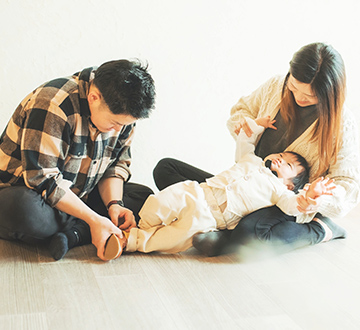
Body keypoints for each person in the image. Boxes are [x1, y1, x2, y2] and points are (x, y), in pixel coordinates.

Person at [153, 42, 360, 257]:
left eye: (310, 96)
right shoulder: (275, 86)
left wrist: (316, 198)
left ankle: (319, 229)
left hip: (284, 202)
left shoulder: (342, 123)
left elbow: (348, 183)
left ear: (329, 95)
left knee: (251, 231)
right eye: (295, 87)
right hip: (246, 187)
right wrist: (246, 126)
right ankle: (221, 231)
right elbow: (241, 111)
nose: (299, 97)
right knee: (165, 168)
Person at [107, 116, 334, 257]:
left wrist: (310, 197)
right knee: (161, 201)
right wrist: (256, 125)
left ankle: (133, 242)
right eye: (282, 155)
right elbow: (244, 142)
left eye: (288, 165)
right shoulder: (252, 160)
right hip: (198, 191)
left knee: (175, 238)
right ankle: (138, 224)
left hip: (211, 219)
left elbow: (293, 205)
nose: (281, 159)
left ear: (289, 183)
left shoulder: (279, 191)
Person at [0, 59, 156, 261]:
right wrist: (93, 217)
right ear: (94, 97)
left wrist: (114, 204)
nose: (119, 130)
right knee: (22, 209)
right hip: (26, 192)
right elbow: (43, 180)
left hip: (79, 193)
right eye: (114, 123)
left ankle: (75, 231)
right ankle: (86, 228)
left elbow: (114, 167)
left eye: (125, 124)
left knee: (144, 197)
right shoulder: (53, 103)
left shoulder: (122, 114)